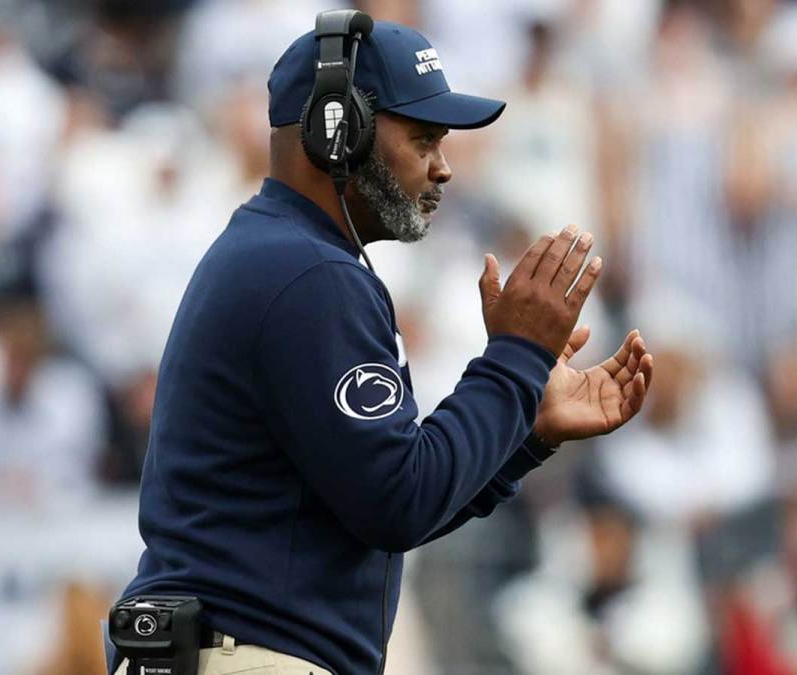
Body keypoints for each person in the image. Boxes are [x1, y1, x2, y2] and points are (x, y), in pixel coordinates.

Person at [110, 13, 654, 675]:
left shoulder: (283, 256)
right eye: (423, 137)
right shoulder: (311, 273)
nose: (444, 167)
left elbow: (381, 506)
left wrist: (524, 431)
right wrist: (514, 359)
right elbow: (399, 502)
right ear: (338, 132)